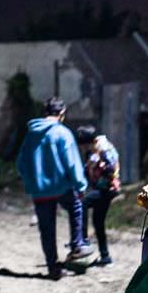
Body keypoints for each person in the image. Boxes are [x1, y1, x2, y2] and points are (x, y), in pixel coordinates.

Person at [16, 97, 95, 279]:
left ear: (45, 114)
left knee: (46, 228)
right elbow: (72, 163)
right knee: (76, 207)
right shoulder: (62, 133)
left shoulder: (31, 134)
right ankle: (77, 244)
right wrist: (80, 185)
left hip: (40, 190)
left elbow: (21, 163)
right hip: (61, 186)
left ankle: (53, 269)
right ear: (62, 113)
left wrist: (31, 182)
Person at [76, 126, 121, 266]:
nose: (83, 148)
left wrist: (101, 167)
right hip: (101, 189)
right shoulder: (95, 150)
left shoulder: (104, 148)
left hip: (107, 189)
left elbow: (112, 168)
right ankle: (105, 257)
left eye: (84, 145)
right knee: (98, 222)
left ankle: (82, 239)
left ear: (91, 141)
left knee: (82, 204)